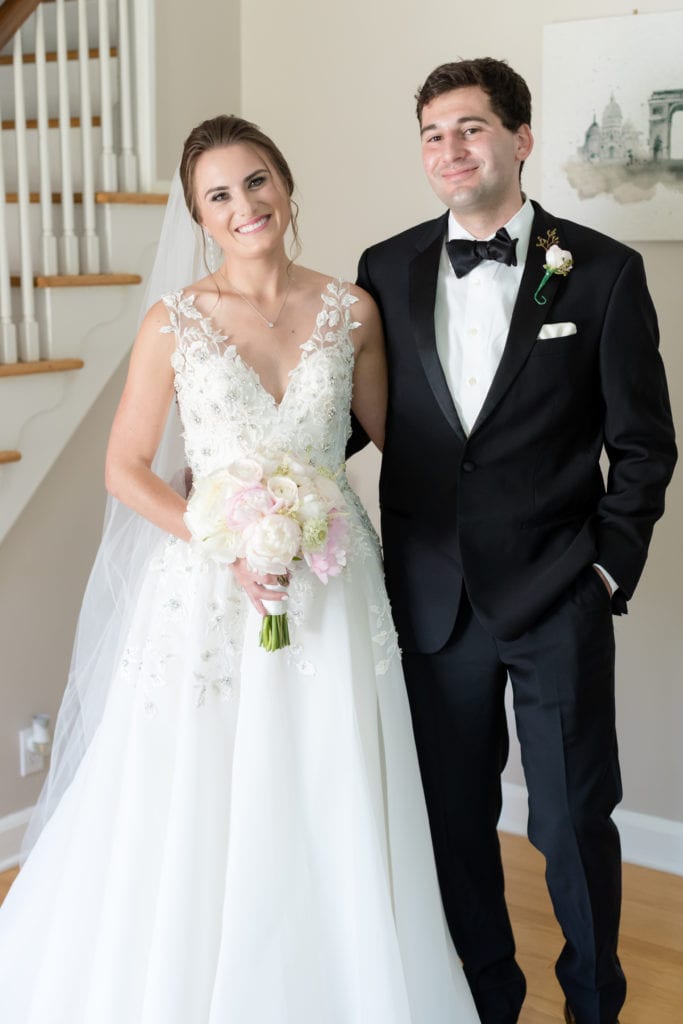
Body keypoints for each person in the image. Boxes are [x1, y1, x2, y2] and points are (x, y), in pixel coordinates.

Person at [0, 115, 480, 1023]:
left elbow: (400, 443)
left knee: (329, 781)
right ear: (198, 217)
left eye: (256, 182)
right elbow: (125, 468)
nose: (244, 205)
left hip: (335, 583)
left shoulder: (351, 310)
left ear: (286, 187)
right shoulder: (172, 321)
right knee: (200, 795)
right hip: (206, 591)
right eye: (219, 195)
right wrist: (225, 540)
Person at [356, 58, 676, 1024]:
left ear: (519, 139)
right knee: (454, 825)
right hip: (430, 602)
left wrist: (604, 570)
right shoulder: (383, 267)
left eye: (471, 127)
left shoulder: (605, 270)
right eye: (431, 133)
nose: (449, 149)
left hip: (555, 598)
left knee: (572, 821)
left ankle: (592, 1005)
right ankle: (487, 1001)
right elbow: (351, 417)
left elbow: (644, 447)